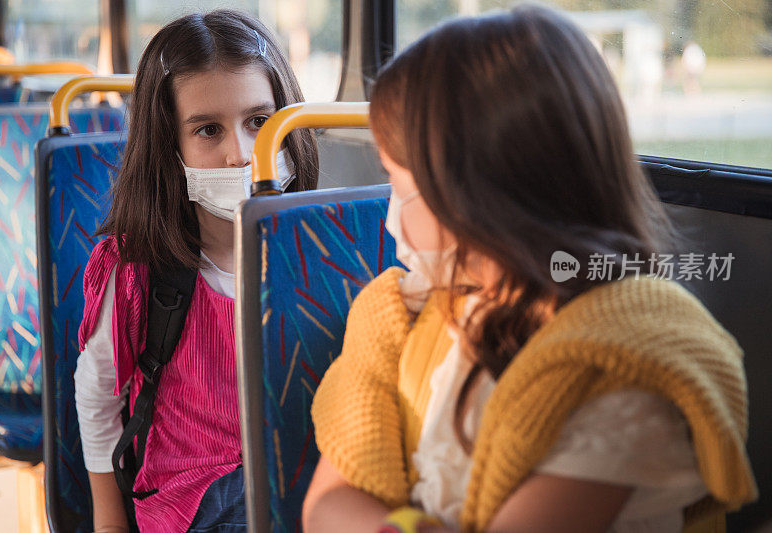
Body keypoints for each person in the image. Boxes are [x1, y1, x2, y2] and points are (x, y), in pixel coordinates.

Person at [303, 6, 755, 533]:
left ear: (481, 198)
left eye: (399, 185)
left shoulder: (628, 374)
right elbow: (327, 506)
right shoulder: (407, 315)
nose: (388, 218)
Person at [74, 10, 318, 533]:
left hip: (301, 478)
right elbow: (98, 399)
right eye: (208, 130)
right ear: (170, 150)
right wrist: (110, 522)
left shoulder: (322, 255)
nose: (242, 153)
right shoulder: (138, 272)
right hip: (192, 497)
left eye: (260, 122)